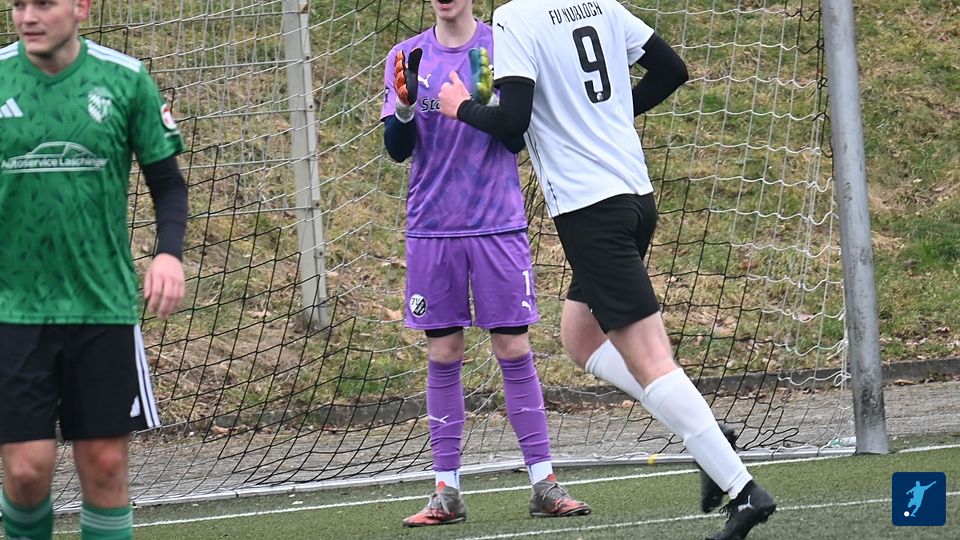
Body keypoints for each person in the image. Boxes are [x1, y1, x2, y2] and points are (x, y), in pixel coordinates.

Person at [438, 1, 777, 538]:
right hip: (634, 199)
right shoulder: (601, 5)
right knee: (581, 338)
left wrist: (460, 106)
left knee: (651, 359)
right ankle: (711, 436)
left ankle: (743, 491)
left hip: (590, 212)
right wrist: (607, 116)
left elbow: (512, 122)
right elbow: (671, 70)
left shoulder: (516, 17)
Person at [381, 0, 590, 528]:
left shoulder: (504, 47)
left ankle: (544, 482)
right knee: (444, 351)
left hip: (498, 224)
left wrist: (481, 104)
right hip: (433, 229)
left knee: (513, 348)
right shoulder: (407, 56)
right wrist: (404, 109)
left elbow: (518, 136)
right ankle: (446, 491)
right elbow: (398, 150)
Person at [0, 1, 188, 538]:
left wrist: (168, 253)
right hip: (14, 307)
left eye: (43, 3)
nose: (27, 16)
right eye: (18, 4)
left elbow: (167, 185)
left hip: (102, 304)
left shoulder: (125, 79)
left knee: (105, 466)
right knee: (26, 471)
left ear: (81, 7)